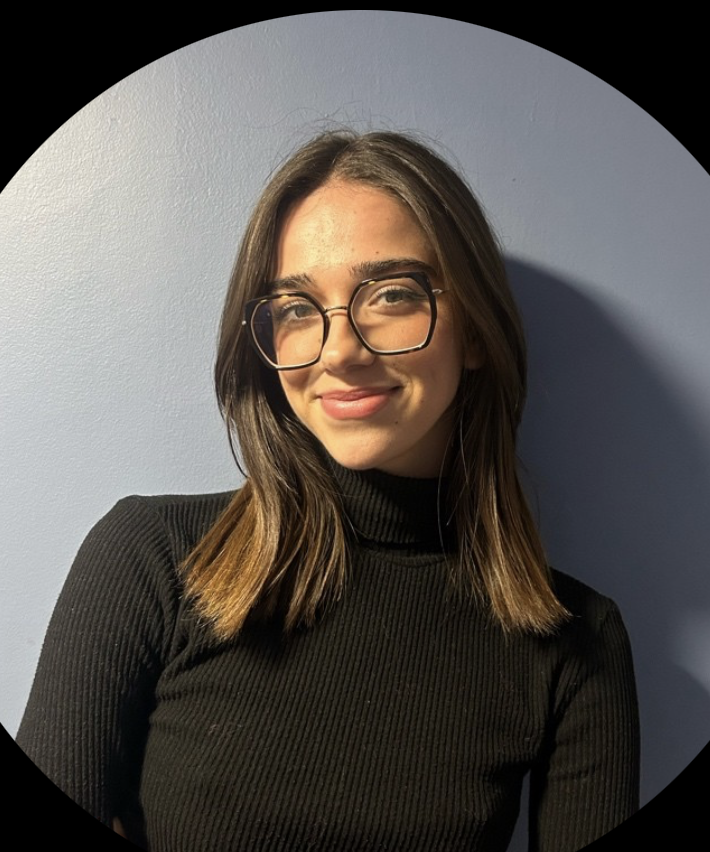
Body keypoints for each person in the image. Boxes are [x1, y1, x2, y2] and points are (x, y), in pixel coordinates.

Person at [16, 130, 640, 851]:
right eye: (295, 307)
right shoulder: (151, 559)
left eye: (393, 294)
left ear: (474, 330)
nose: (340, 350)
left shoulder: (576, 644)